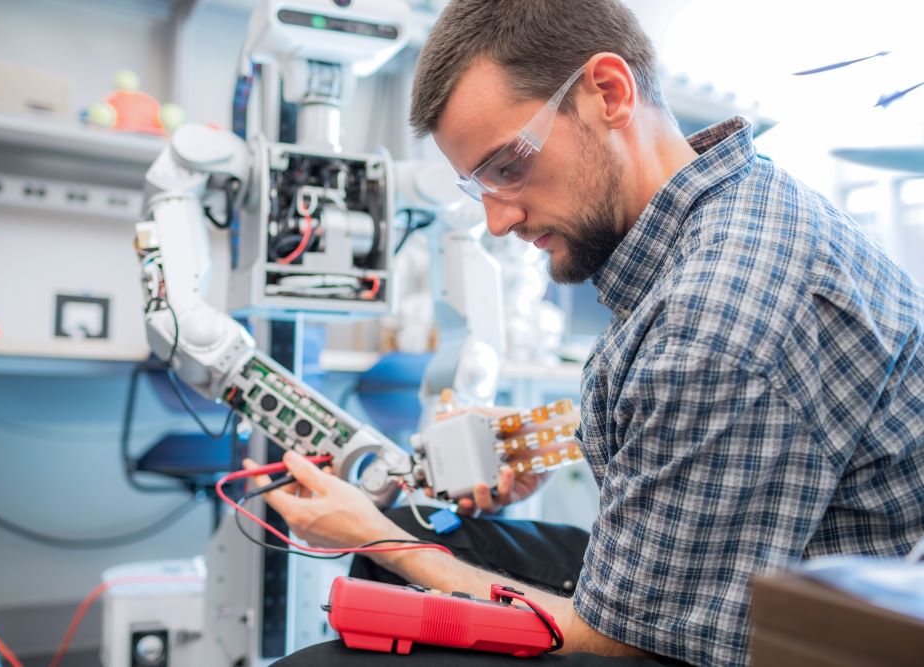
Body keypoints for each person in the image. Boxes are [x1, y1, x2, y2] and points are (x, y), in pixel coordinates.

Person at [261, 1, 924, 665]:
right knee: (423, 535)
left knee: (339, 632)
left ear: (608, 92)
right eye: (477, 187)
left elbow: (611, 644)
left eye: (508, 166)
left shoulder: (715, 318)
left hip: (781, 642)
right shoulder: (734, 209)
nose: (498, 220)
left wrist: (371, 535)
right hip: (752, 583)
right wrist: (555, 443)